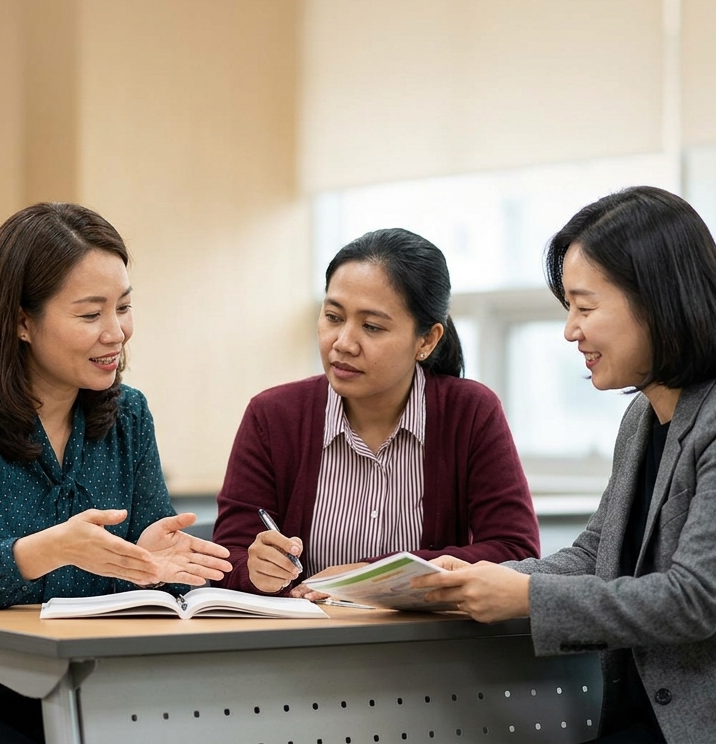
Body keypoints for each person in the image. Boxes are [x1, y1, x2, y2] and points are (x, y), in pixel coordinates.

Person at [414, 186, 716, 742]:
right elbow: (593, 553)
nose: (570, 330)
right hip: (656, 718)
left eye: (585, 307)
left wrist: (524, 597)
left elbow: (693, 600)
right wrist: (487, 579)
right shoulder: (643, 415)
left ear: (656, 301)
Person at [0, 202, 232, 744]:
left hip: (92, 694)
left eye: (123, 307)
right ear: (21, 321)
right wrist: (44, 550)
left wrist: (155, 566)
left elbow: (147, 577)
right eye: (89, 315)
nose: (116, 333)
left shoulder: (128, 415)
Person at [212, 228, 540, 598]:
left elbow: (515, 552)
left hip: (427, 647)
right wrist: (253, 568)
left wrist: (375, 574)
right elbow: (226, 559)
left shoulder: (470, 413)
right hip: (300, 643)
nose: (343, 343)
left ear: (427, 340)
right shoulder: (273, 416)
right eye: (333, 317)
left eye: (372, 327)